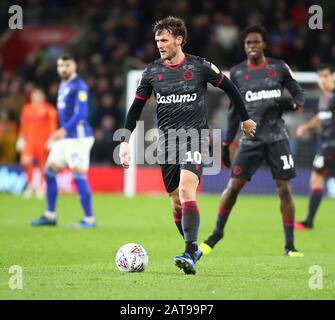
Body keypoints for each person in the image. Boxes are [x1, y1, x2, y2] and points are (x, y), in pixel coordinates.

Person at [119, 16, 256, 275]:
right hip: (167, 143)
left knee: (185, 191)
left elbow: (231, 88)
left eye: (165, 39)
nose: (159, 44)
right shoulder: (152, 72)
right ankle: (191, 251)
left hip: (194, 138)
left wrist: (246, 118)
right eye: (157, 40)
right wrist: (125, 141)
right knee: (175, 202)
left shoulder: (200, 66)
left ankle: (190, 250)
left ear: (179, 39)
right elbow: (135, 109)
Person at [200, 25, 305, 257]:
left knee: (284, 189)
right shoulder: (237, 73)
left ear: (264, 44)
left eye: (256, 42)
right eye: (248, 43)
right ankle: (216, 233)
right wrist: (227, 143)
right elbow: (233, 110)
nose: (253, 46)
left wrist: (293, 104)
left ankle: (290, 246)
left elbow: (299, 93)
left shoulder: (279, 68)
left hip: (277, 137)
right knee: (233, 187)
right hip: (250, 139)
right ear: (244, 47)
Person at [30, 54, 96, 228]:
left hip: (78, 138)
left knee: (78, 175)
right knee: (49, 172)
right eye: (60, 66)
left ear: (74, 66)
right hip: (66, 138)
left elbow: (81, 114)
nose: (63, 69)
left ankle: (89, 219)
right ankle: (50, 215)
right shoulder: (63, 85)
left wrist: (63, 130)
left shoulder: (79, 86)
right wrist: (59, 134)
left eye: (67, 65)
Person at [295, 64, 335, 230]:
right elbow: (321, 116)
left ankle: (309, 221)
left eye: (326, 76)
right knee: (317, 178)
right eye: (320, 77)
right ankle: (309, 220)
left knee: (317, 178)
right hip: (327, 144)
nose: (323, 80)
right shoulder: (324, 98)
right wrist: (308, 126)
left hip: (331, 146)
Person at [17, 88, 57, 198]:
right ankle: (30, 185)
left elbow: (53, 125)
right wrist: (21, 137)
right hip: (29, 141)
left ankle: (41, 186)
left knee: (43, 165)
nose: (35, 97)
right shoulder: (26, 108)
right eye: (34, 95)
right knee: (25, 161)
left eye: (38, 95)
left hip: (43, 141)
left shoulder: (49, 109)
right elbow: (23, 124)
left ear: (42, 96)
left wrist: (52, 139)